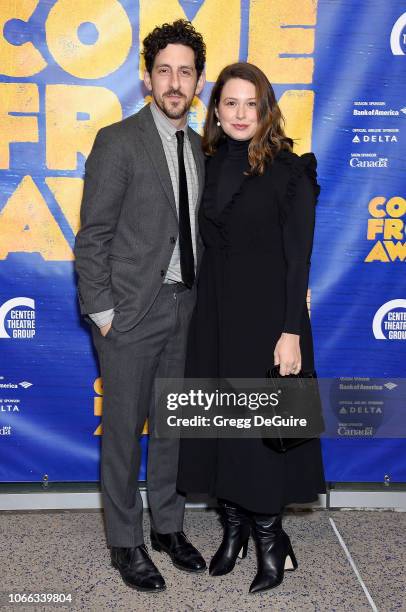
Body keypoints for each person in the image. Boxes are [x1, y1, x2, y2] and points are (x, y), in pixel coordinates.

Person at [176, 62, 326, 594]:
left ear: (266, 110)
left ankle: (270, 539)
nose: (241, 114)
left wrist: (291, 332)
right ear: (215, 109)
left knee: (264, 438)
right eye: (230, 103)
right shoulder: (208, 163)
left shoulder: (290, 170)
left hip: (270, 321)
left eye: (251, 104)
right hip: (215, 320)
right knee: (225, 431)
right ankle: (233, 531)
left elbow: (298, 261)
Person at [74, 20, 207, 593]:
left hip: (186, 309)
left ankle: (169, 527)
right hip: (129, 314)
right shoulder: (118, 140)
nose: (174, 82)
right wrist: (102, 311)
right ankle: (125, 542)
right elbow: (93, 235)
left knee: (173, 426)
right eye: (164, 70)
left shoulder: (203, 147)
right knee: (125, 432)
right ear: (147, 76)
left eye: (185, 71)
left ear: (197, 81)